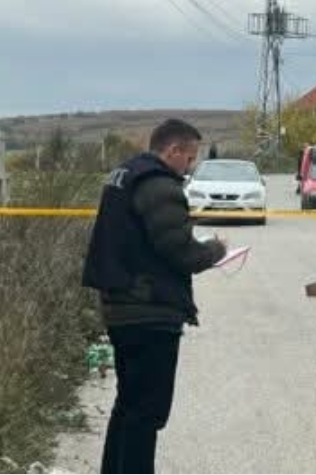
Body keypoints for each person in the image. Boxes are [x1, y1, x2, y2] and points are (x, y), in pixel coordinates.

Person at [82, 118, 227, 474]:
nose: (189, 168)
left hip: (120, 305)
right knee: (147, 413)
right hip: (150, 311)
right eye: (189, 158)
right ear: (173, 150)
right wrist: (216, 250)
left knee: (128, 406)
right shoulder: (159, 185)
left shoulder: (124, 175)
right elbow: (181, 252)